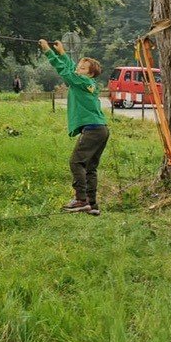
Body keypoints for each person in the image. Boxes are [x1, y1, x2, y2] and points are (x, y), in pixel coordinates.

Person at [39, 39, 108, 216]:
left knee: (76, 162)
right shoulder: (87, 82)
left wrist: (48, 52)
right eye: (79, 66)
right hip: (100, 129)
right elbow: (71, 68)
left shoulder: (81, 81)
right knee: (90, 167)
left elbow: (65, 70)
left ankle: (81, 199)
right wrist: (62, 52)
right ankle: (92, 205)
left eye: (83, 68)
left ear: (91, 74)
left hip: (93, 130)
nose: (78, 69)